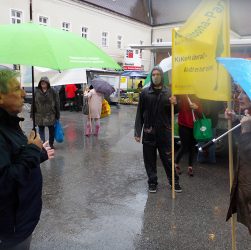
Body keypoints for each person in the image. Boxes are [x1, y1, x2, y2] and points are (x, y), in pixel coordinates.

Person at [0, 69, 55, 249]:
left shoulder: (9, 122)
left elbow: (15, 157)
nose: (24, 93)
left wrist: (38, 153)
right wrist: (32, 150)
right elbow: (4, 182)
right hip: (10, 229)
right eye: (17, 89)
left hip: (21, 220)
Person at [134, 66, 182, 193]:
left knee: (168, 159)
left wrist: (175, 103)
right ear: (151, 76)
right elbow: (140, 113)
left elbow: (176, 111)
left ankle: (174, 181)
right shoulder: (145, 93)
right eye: (153, 74)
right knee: (149, 160)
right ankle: (152, 182)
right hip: (149, 132)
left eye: (158, 74)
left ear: (161, 76)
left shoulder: (169, 92)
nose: (156, 76)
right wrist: (137, 132)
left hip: (164, 132)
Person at [225, 87, 251, 234]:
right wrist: (236, 121)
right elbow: (240, 145)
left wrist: (247, 132)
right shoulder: (247, 117)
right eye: (239, 92)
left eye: (245, 93)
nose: (239, 97)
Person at [174, 95, 202, 177]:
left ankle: (190, 167)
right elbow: (176, 109)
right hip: (183, 125)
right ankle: (176, 163)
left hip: (195, 126)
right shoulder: (182, 95)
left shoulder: (197, 97)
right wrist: (175, 102)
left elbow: (201, 114)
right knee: (184, 146)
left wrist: (196, 108)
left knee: (192, 147)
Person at [31, 77, 60, 149]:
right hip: (39, 115)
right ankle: (43, 144)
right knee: (41, 130)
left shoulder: (53, 91)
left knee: (51, 130)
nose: (43, 83)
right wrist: (32, 115)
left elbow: (57, 103)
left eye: (44, 82)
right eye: (41, 82)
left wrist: (57, 114)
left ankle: (51, 143)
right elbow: (33, 104)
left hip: (50, 115)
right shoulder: (36, 91)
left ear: (48, 83)